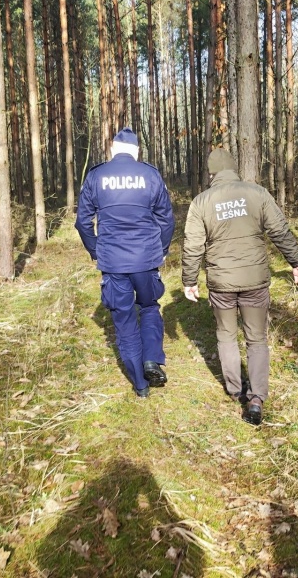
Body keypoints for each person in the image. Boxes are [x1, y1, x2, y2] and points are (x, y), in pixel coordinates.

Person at [182, 148, 298, 425]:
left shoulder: (201, 202)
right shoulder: (257, 193)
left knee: (226, 334)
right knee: (257, 338)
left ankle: (234, 388)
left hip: (221, 283)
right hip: (255, 281)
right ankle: (257, 398)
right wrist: (296, 262)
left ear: (211, 173)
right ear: (234, 168)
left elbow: (192, 246)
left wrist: (189, 280)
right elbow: (279, 231)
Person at [75, 128, 175, 398]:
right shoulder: (150, 175)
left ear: (112, 149)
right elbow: (166, 220)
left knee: (124, 320)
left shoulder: (96, 176)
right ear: (137, 151)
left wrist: (97, 251)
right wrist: (161, 250)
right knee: (150, 307)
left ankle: (140, 386)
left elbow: (82, 222)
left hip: (113, 262)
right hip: (145, 259)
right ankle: (151, 359)